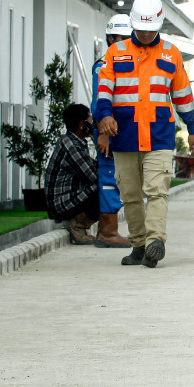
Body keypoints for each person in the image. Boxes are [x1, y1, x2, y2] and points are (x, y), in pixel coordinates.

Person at [96, 0, 194, 268]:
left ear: (159, 25)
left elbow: (182, 94)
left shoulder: (170, 53)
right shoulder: (115, 53)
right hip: (125, 134)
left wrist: (192, 127)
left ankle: (156, 241)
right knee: (129, 194)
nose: (144, 34)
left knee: (157, 190)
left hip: (159, 134)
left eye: (150, 30)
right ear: (132, 25)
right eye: (140, 29)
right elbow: (104, 89)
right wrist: (104, 117)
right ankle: (139, 246)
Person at [90, 14, 132, 248]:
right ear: (109, 39)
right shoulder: (104, 65)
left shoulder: (124, 62)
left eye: (128, 37)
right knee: (108, 178)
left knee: (119, 179)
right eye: (120, 38)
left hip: (122, 131)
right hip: (108, 131)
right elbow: (100, 102)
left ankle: (109, 230)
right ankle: (107, 231)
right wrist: (103, 132)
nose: (125, 42)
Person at [44, 104, 100, 246]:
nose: (93, 123)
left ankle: (79, 221)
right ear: (82, 124)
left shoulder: (75, 141)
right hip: (62, 204)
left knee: (109, 184)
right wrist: (96, 138)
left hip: (68, 197)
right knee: (107, 187)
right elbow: (94, 175)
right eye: (90, 120)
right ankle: (78, 224)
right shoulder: (71, 145)